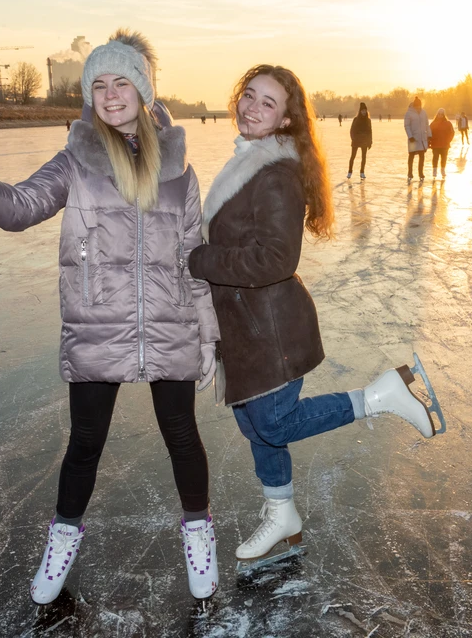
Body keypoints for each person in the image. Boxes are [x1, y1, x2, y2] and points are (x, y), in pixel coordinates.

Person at [0, 31, 221, 603]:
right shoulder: (76, 161)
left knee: (182, 435)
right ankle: (62, 541)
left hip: (170, 323)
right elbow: (18, 208)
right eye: (99, 84)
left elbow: (195, 252)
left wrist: (208, 328)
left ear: (144, 89)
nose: (111, 95)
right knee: (85, 441)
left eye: (122, 82)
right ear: (89, 95)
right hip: (97, 324)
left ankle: (199, 533)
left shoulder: (179, 171)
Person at [187, 64, 441, 568]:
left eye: (268, 104)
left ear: (285, 121)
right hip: (245, 326)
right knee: (253, 425)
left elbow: (276, 258)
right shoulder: (250, 161)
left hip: (269, 328)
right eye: (249, 96)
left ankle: (379, 396)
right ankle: (282, 513)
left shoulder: (276, 175)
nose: (252, 108)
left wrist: (198, 259)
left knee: (274, 424)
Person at [404, 96, 430, 183]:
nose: (418, 107)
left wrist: (429, 135)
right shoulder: (409, 113)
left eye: (420, 106)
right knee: (411, 156)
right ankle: (410, 173)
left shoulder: (423, 113)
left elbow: (427, 124)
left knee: (422, 156)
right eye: (417, 106)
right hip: (413, 138)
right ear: (414, 106)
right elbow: (406, 126)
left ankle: (421, 173)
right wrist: (410, 136)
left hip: (422, 138)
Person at [347, 102, 372, 180]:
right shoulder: (356, 119)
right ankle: (350, 171)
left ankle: (362, 172)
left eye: (365, 110)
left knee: (363, 157)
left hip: (364, 141)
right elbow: (352, 130)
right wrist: (354, 139)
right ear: (360, 111)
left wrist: (370, 141)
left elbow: (370, 131)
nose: (364, 112)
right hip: (356, 141)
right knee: (353, 157)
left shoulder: (368, 120)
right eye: (362, 111)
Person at [428, 108, 454, 180]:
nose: (440, 115)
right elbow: (429, 133)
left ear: (444, 115)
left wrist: (448, 140)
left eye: (442, 114)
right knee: (435, 158)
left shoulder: (448, 123)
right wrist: (429, 142)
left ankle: (443, 170)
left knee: (444, 158)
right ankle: (434, 170)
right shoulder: (433, 124)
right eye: (439, 114)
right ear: (437, 114)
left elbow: (452, 133)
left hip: (445, 145)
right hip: (435, 144)